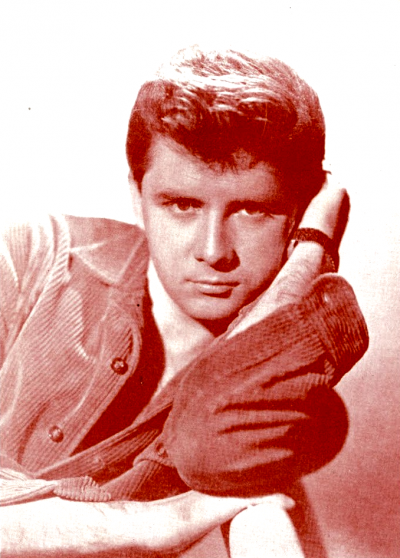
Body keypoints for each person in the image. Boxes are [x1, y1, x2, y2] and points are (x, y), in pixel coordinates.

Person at [0, 47, 368, 556]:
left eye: (252, 211)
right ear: (137, 196)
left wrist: (313, 249)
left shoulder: (263, 419)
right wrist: (150, 521)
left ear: (298, 214)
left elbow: (214, 433)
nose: (213, 251)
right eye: (181, 205)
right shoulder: (32, 258)